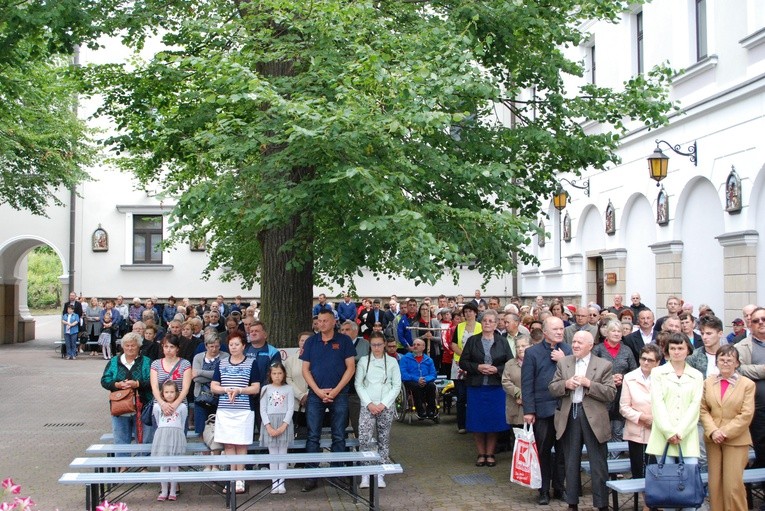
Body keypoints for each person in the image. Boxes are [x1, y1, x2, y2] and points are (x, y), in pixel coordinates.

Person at [549, 330, 616, 511]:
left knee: (598, 464)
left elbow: (610, 393)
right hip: (570, 414)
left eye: (580, 343)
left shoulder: (603, 365)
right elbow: (552, 388)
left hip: (594, 418)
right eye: (574, 342)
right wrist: (566, 385)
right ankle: (572, 502)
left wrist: (589, 384)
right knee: (571, 461)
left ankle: (601, 504)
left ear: (590, 346)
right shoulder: (564, 363)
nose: (576, 345)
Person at [300, 308, 356, 493]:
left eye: (325, 321)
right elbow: (305, 370)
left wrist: (335, 391)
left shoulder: (344, 341)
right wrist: (317, 391)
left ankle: (337, 474)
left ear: (333, 322)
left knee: (338, 434)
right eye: (319, 321)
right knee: (312, 435)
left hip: (338, 394)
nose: (321, 324)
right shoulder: (310, 342)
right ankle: (311, 475)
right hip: (316, 395)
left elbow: (350, 368)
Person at [646, 332, 704, 511]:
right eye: (673, 348)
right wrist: (669, 432)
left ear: (688, 350)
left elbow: (695, 406)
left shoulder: (696, 375)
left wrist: (680, 431)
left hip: (687, 436)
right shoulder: (657, 373)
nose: (677, 352)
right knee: (668, 490)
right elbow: (658, 403)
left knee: (689, 487)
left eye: (680, 348)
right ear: (667, 351)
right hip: (663, 436)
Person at [521, 316, 571, 505]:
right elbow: (527, 383)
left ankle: (560, 487)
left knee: (563, 452)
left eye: (561, 329)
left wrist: (564, 360)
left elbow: (576, 375)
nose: (560, 332)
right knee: (543, 451)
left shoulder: (568, 351)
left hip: (564, 409)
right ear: (545, 332)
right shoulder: (532, 353)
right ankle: (543, 490)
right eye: (555, 329)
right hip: (542, 410)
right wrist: (529, 410)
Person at [700, 345, 755, 511]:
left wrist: (724, 432)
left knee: (733, 485)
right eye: (721, 359)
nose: (725, 363)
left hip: (736, 440)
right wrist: (713, 431)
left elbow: (746, 414)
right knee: (715, 484)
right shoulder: (708, 382)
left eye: (729, 360)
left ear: (737, 363)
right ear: (716, 362)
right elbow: (703, 409)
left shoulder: (747, 384)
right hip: (713, 439)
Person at [458, 309, 512, 467]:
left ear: (496, 324)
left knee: (493, 422)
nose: (487, 323)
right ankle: (481, 453)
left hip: (495, 387)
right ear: (481, 323)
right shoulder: (473, 340)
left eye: (491, 321)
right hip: (477, 387)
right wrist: (478, 367)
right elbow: (463, 362)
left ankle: (490, 453)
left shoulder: (502, 341)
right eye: (485, 321)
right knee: (477, 422)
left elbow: (510, 362)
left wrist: (497, 369)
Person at [211, 333, 261, 494]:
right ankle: (232, 477)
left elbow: (256, 387)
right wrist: (226, 389)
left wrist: (239, 390)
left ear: (243, 346)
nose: (233, 347)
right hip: (225, 409)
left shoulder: (251, 363)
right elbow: (214, 386)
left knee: (241, 443)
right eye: (231, 344)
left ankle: (241, 478)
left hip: (243, 410)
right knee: (229, 444)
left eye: (237, 344)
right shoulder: (222, 363)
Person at [355, 331, 402, 489]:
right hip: (368, 405)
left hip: (385, 406)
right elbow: (359, 384)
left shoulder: (392, 362)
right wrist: (369, 403)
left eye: (379, 345)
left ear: (384, 345)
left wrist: (383, 404)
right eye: (374, 345)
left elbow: (396, 386)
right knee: (364, 439)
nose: (377, 348)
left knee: (384, 439)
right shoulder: (363, 361)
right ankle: (365, 473)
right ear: (370, 345)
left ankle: (381, 472)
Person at [100, 333, 152, 454]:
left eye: (133, 346)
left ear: (139, 346)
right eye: (127, 345)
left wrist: (137, 384)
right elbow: (104, 380)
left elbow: (152, 381)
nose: (130, 348)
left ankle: (142, 466)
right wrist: (117, 385)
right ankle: (123, 466)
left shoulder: (146, 361)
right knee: (120, 439)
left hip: (142, 406)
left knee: (143, 438)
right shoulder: (114, 362)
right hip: (120, 406)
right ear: (123, 346)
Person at [619, 344, 662, 489]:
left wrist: (655, 419)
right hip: (636, 431)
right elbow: (624, 407)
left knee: (656, 471)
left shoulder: (663, 378)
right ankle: (645, 504)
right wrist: (642, 417)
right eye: (643, 359)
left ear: (658, 362)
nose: (646, 362)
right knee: (639, 472)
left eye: (650, 360)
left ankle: (657, 502)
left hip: (658, 430)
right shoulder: (630, 378)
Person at [592, 319, 637, 443]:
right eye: (613, 331)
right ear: (607, 332)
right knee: (603, 429)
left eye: (619, 331)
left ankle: (615, 458)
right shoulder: (598, 350)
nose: (616, 334)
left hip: (621, 394)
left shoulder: (627, 350)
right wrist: (609, 378)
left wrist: (623, 377)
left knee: (617, 430)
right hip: (602, 395)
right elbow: (591, 371)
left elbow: (634, 370)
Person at [734, 306, 765, 470]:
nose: (761, 323)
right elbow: (740, 369)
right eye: (756, 320)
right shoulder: (742, 347)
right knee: (762, 450)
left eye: (764, 319)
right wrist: (762, 370)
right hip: (757, 411)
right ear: (750, 325)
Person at [259, 362, 295, 494]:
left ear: (284, 374)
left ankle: (282, 482)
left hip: (283, 423)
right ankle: (274, 482)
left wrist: (284, 425)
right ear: (270, 374)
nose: (277, 376)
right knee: (273, 454)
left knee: (282, 454)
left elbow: (291, 408)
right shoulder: (265, 389)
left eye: (280, 373)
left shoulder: (289, 389)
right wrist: (268, 426)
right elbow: (262, 409)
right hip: (270, 422)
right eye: (274, 373)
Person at [149, 336, 192, 444]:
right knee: (160, 440)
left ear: (177, 348)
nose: (168, 349)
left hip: (180, 406)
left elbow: (185, 388)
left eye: (172, 347)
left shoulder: (185, 364)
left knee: (179, 440)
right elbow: (154, 387)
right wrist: (163, 403)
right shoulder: (156, 364)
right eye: (166, 346)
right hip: (160, 406)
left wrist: (175, 404)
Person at [152, 380, 188, 502]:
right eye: (166, 392)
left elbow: (182, 422)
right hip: (162, 436)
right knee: (164, 465)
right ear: (162, 393)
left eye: (172, 392)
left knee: (174, 465)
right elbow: (158, 421)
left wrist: (179, 434)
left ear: (176, 393)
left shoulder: (182, 407)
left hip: (176, 436)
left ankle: (173, 491)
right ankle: (164, 491)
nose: (169, 395)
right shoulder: (157, 406)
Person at [451, 302, 481, 434]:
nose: (468, 314)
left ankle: (475, 423)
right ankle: (461, 424)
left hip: (475, 365)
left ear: (475, 312)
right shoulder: (459, 327)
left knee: (474, 396)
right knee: (461, 396)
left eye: (470, 311)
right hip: (459, 365)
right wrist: (464, 355)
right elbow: (453, 344)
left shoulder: (481, 326)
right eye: (466, 312)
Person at [192, 333, 228, 435]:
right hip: (200, 397)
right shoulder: (198, 357)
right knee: (201, 429)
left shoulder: (225, 356)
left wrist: (200, 372)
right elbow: (196, 379)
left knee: (219, 429)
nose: (214, 349)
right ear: (206, 345)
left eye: (217, 346)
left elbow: (221, 375)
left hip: (219, 397)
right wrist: (213, 376)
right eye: (211, 346)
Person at [400, 338, 439, 420]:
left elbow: (433, 374)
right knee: (416, 386)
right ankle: (420, 410)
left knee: (431, 386)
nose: (415, 346)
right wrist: (417, 379)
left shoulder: (429, 360)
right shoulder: (405, 358)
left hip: (426, 381)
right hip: (411, 381)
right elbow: (403, 374)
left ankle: (431, 410)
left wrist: (425, 379)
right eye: (414, 344)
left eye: (418, 345)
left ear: (423, 347)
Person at [285, 331, 310, 439]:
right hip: (296, 403)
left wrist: (308, 395)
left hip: (313, 400)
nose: (304, 343)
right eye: (302, 340)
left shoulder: (319, 358)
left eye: (307, 341)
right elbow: (288, 379)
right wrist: (300, 395)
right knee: (298, 432)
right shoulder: (290, 360)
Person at [502, 335, 530, 428]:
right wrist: (518, 393)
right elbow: (505, 382)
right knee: (517, 439)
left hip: (533, 408)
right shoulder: (509, 364)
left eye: (523, 346)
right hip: (515, 407)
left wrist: (526, 397)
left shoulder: (537, 362)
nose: (520, 349)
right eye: (517, 346)